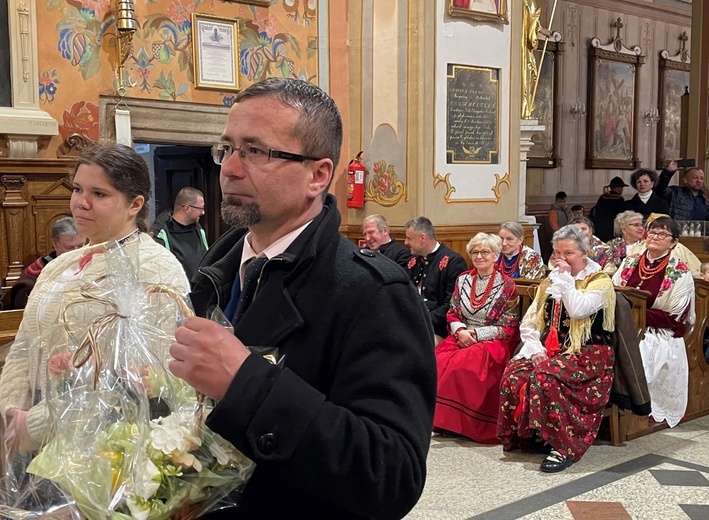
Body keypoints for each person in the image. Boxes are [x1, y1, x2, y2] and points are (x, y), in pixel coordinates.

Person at [169, 78, 436, 519]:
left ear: (318, 175)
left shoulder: (374, 291)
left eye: (256, 151)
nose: (230, 169)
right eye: (227, 149)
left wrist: (246, 385)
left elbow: (392, 474)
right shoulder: (216, 269)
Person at [0, 144, 190, 506]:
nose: (80, 203)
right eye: (77, 189)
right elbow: (25, 343)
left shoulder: (156, 268)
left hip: (101, 450)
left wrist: (35, 425)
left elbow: (139, 381)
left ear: (135, 204)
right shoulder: (60, 265)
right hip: (28, 435)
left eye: (99, 193)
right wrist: (12, 410)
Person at [497, 225, 616, 473]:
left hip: (588, 353)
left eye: (568, 253)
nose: (561, 259)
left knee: (546, 377)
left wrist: (565, 280)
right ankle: (530, 436)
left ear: (584, 254)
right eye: (557, 254)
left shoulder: (599, 281)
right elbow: (531, 321)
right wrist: (535, 347)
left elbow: (578, 309)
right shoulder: (549, 282)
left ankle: (562, 446)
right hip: (553, 349)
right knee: (515, 373)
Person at [434, 233, 520, 443]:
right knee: (438, 360)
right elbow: (453, 312)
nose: (479, 256)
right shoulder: (463, 279)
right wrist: (460, 331)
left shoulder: (508, 286)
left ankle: (466, 425)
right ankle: (445, 422)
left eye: (485, 252)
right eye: (475, 252)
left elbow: (508, 326)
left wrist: (476, 335)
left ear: (496, 255)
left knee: (464, 365)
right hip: (462, 334)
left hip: (492, 340)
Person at [613, 216, 694, 427]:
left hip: (658, 332)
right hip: (623, 325)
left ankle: (638, 407)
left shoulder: (679, 271)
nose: (655, 237)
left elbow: (674, 315)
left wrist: (634, 316)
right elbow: (614, 291)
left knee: (640, 349)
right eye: (652, 232)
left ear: (673, 242)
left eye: (662, 234)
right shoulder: (631, 261)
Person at [405, 216, 468, 340]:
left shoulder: (453, 262)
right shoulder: (412, 261)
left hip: (436, 329)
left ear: (423, 238)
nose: (406, 242)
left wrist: (420, 320)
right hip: (410, 324)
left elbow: (451, 305)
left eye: (409, 238)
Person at [9, 217, 86, 309]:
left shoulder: (93, 265)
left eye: (81, 246)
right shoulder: (35, 274)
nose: (77, 252)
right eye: (69, 247)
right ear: (55, 244)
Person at [153, 187, 209, 281]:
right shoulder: (161, 232)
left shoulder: (199, 230)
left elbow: (207, 260)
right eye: (201, 208)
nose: (203, 212)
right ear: (187, 208)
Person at [591, 176, 628, 242]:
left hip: (600, 227)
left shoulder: (603, 197)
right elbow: (621, 215)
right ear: (619, 188)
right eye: (621, 188)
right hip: (613, 228)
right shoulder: (619, 199)